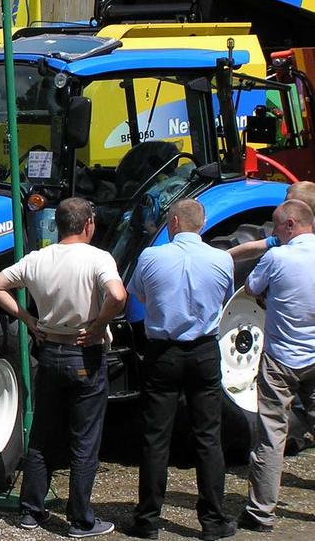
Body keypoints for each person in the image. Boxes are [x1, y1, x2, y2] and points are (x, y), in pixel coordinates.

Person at [0, 197, 126, 538]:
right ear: (89, 224)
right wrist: (98, 324)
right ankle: (80, 521)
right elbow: (118, 296)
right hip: (85, 354)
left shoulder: (37, 259)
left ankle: (31, 511)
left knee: (42, 436)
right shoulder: (98, 258)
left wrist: (27, 319)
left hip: (49, 352)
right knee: (84, 442)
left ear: (58, 225)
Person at [124, 199, 236, 540]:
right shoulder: (222, 259)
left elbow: (138, 296)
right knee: (208, 437)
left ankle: (148, 521)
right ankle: (214, 521)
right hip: (204, 351)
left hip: (164, 352)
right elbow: (224, 299)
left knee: (156, 438)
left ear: (173, 221)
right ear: (200, 225)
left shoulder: (150, 257)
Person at [239, 199, 315, 532]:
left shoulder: (277, 257)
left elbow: (251, 288)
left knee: (271, 435)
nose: (273, 234)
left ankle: (260, 512)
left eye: (276, 226)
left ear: (291, 225)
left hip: (281, 359)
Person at [228, 180, 315, 265]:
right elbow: (255, 248)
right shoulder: (290, 234)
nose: (282, 207)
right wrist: (222, 257)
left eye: (288, 204)